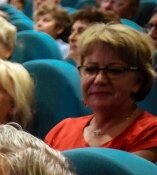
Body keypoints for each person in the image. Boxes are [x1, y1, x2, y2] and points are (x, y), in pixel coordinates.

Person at [45, 24, 157, 160]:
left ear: (138, 81)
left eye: (115, 70)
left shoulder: (151, 132)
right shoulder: (62, 130)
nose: (99, 80)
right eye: (91, 69)